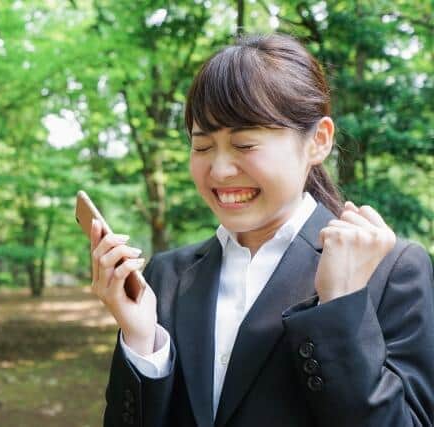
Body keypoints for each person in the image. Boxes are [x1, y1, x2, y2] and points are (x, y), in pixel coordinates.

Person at [89, 33, 434, 427]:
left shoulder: (392, 270)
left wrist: (339, 308)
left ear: (318, 141)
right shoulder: (166, 277)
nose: (219, 171)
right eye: (202, 147)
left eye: (245, 144)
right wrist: (142, 345)